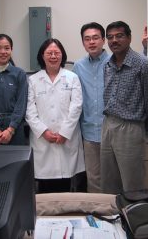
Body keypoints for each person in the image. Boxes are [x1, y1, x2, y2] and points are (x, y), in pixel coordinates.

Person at [101, 21, 148, 194]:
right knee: (108, 181)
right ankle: (112, 219)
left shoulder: (144, 65)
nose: (114, 40)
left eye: (119, 36)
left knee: (131, 184)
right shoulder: (108, 64)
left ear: (129, 38)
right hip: (108, 125)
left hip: (130, 127)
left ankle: (132, 218)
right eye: (110, 37)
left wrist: (145, 126)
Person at [26, 38, 85, 193]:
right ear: (42, 56)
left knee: (67, 186)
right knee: (44, 189)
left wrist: (65, 132)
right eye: (49, 53)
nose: (53, 56)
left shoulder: (72, 77)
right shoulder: (33, 80)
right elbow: (29, 111)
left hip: (67, 139)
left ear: (62, 56)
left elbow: (76, 107)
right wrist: (44, 132)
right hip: (43, 141)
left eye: (57, 53)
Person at [73, 22, 109, 193]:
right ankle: (97, 215)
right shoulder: (78, 67)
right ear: (83, 42)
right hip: (89, 132)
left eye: (95, 38)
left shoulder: (115, 62)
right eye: (87, 39)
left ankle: (116, 215)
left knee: (113, 177)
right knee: (93, 177)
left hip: (112, 132)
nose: (92, 42)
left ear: (103, 40)